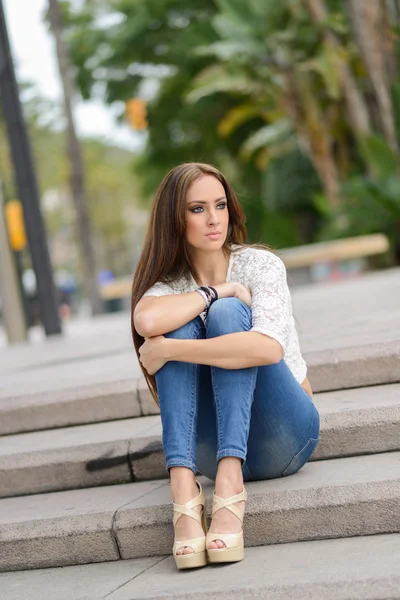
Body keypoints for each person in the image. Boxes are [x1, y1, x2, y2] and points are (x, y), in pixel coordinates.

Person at [131, 162, 320, 570]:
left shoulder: (260, 265)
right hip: (207, 450)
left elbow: (269, 349)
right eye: (197, 209)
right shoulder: (169, 287)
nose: (214, 218)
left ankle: (230, 484)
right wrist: (215, 290)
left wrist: (173, 351)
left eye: (220, 205)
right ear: (174, 220)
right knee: (187, 319)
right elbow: (145, 322)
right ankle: (183, 491)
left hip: (286, 432)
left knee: (227, 313)